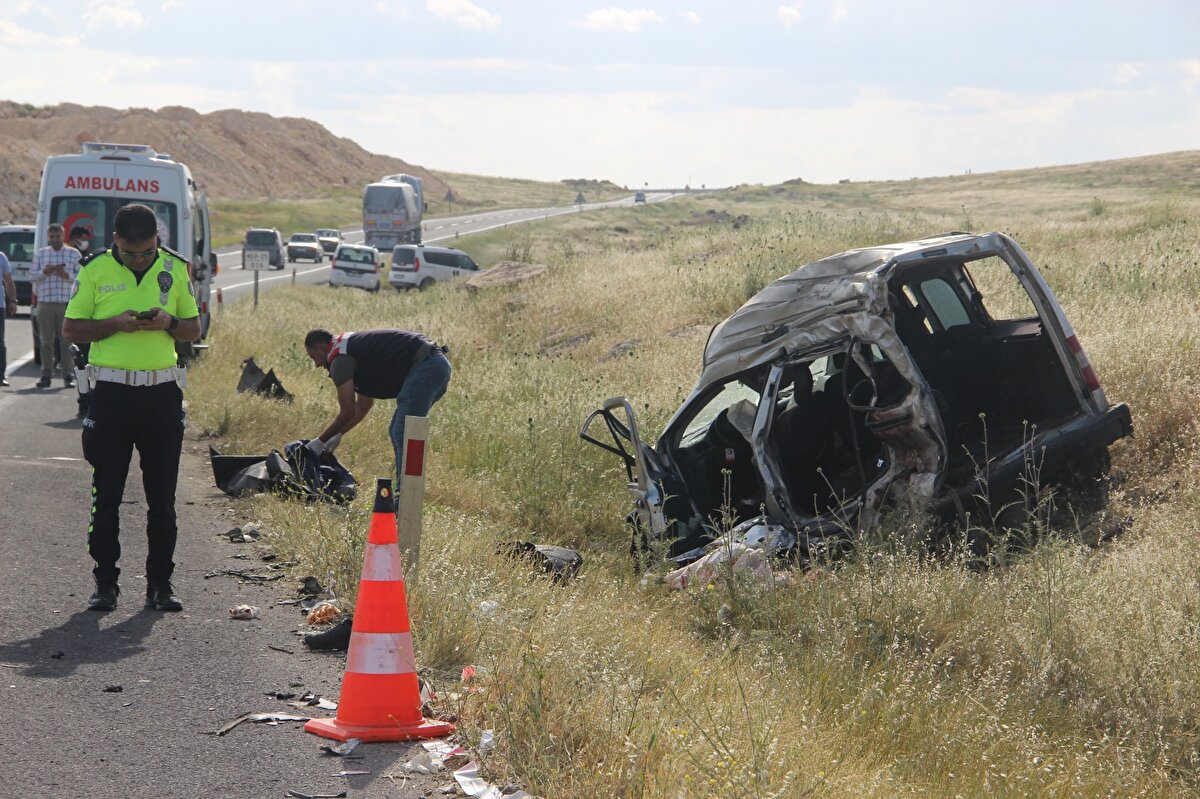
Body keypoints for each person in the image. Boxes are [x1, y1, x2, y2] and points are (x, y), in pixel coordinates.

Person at [63, 204, 201, 612]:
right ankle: (105, 583)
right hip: (111, 395)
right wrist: (115, 323)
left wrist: (168, 323)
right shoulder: (94, 270)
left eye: (146, 252)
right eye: (130, 253)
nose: (139, 260)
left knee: (163, 498)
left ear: (157, 240)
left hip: (161, 395)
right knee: (106, 495)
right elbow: (71, 328)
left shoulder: (175, 268)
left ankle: (160, 584)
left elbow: (193, 328)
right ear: (115, 242)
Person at [301, 327, 451, 650]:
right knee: (399, 428)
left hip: (427, 366)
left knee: (402, 431)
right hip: (434, 364)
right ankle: (403, 495)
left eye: (313, 356)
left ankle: (405, 498)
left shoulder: (338, 359)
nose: (316, 364)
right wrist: (337, 437)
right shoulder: (347, 351)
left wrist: (317, 443)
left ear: (321, 347)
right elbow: (363, 406)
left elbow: (346, 409)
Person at [30, 222, 81, 388]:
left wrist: (66, 275)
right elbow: (31, 276)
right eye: (51, 237)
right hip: (45, 302)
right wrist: (45, 272)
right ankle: (46, 375)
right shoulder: (41, 254)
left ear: (63, 236)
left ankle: (68, 375)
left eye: (57, 236)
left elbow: (83, 278)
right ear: (48, 237)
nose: (54, 239)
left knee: (67, 341)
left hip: (67, 303)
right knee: (46, 342)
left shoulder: (73, 254)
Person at [69, 226, 94, 416]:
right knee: (82, 365)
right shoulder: (76, 258)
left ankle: (95, 403)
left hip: (101, 323)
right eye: (82, 238)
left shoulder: (97, 261)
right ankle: (83, 404)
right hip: (84, 322)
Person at [0, 247, 16, 387]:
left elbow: (8, 280)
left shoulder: (1, 257)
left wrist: (12, 300)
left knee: (0, 342)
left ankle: (1, 376)